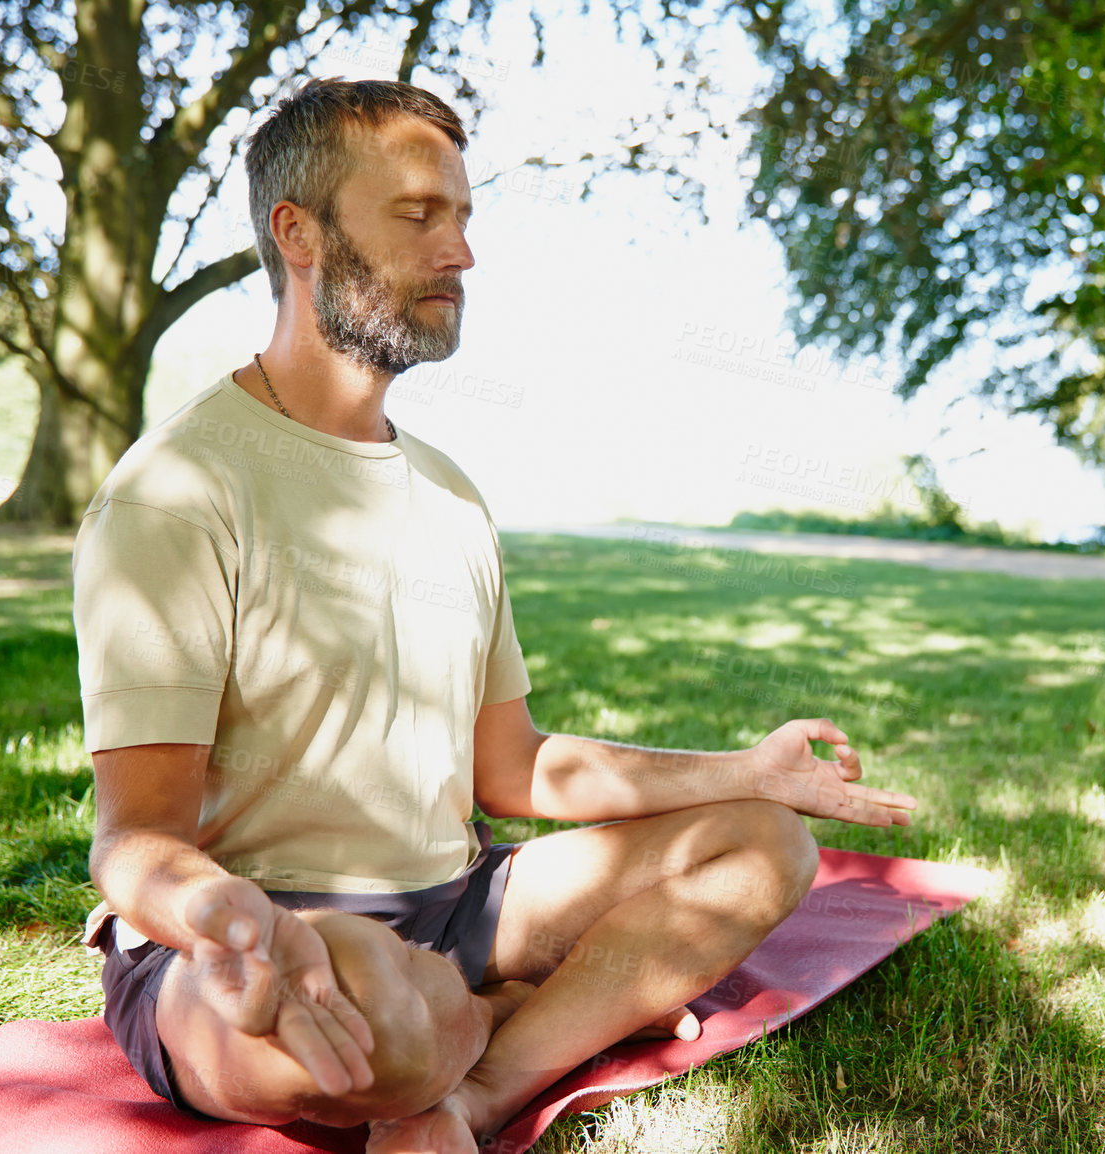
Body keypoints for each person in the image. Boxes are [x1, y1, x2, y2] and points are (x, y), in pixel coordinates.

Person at [73, 76, 918, 1153]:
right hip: (243, 939)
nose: (460, 253)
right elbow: (136, 837)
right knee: (366, 1025)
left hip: (456, 901)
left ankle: (471, 1092)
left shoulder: (452, 495)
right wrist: (225, 919)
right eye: (419, 215)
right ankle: (485, 1021)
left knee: (767, 846)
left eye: (463, 218)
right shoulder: (177, 491)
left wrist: (743, 771)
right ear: (299, 232)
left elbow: (511, 767)